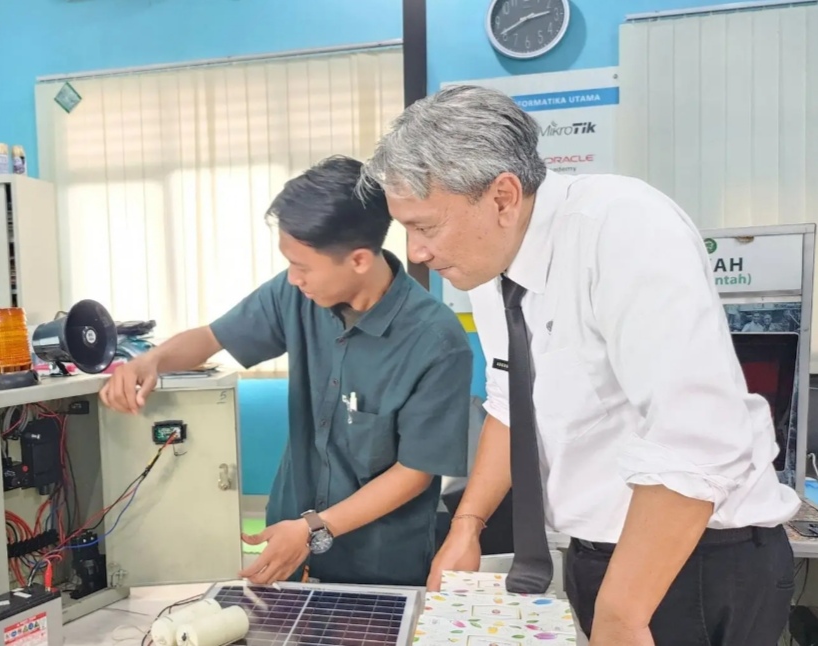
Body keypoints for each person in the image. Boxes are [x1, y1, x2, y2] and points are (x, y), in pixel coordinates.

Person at [358, 85, 799, 646]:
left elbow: (697, 438)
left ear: (502, 197)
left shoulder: (623, 227)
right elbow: (511, 402)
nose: (415, 252)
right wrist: (467, 525)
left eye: (425, 227)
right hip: (596, 558)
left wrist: (621, 615)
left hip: (690, 563)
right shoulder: (490, 263)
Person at [100, 155, 473, 588]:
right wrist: (150, 361)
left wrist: (314, 528)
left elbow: (415, 472)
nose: (294, 278)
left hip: (378, 562)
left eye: (303, 266)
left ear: (358, 260)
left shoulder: (435, 341)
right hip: (288, 542)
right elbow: (211, 337)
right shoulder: (295, 295)